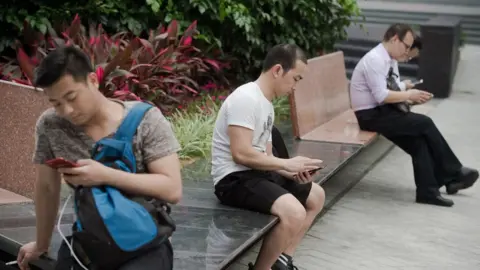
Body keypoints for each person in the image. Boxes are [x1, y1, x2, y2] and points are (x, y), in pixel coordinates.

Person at [16, 46, 182, 270]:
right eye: (56, 103)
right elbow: (47, 187)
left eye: (71, 97)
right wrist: (41, 244)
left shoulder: (146, 120)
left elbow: (172, 189)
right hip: (90, 238)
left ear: (93, 80)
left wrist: (104, 175)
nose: (67, 110)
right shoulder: (50, 125)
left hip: (144, 242)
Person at [211, 44, 326, 270]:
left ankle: (282, 260)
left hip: (256, 174)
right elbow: (241, 153)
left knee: (316, 195)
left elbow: (266, 155)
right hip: (233, 179)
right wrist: (286, 163)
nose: (296, 86)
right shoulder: (246, 98)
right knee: (293, 212)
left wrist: (293, 170)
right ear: (277, 70)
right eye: (296, 78)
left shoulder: (267, 105)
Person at [350, 23, 478, 207]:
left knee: (419, 142)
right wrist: (409, 95)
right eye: (407, 46)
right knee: (425, 123)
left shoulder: (388, 58)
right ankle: (454, 172)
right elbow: (381, 95)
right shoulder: (375, 60)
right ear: (394, 38)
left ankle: (428, 191)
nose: (408, 51)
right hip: (369, 115)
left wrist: (409, 96)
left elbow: (390, 89)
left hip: (381, 111)